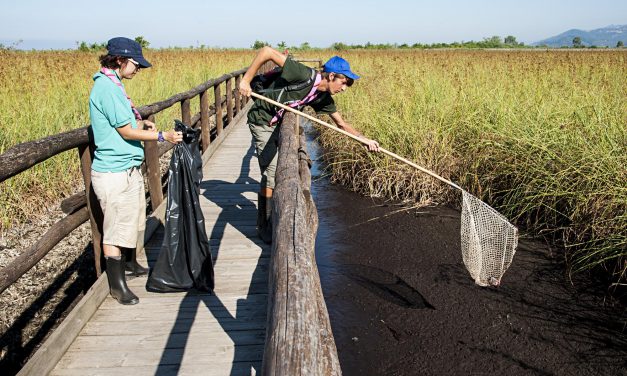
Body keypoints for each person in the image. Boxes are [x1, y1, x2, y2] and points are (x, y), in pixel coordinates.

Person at [239, 46, 380, 243]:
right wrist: (245, 80)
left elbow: (341, 124)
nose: (345, 87)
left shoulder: (322, 97)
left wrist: (364, 140)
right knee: (271, 173)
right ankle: (265, 223)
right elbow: (266, 52)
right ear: (331, 76)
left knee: (279, 169)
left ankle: (270, 215)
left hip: (278, 122)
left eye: (348, 84)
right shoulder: (303, 74)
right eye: (344, 82)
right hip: (262, 119)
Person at [89, 37, 182, 305]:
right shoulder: (106, 88)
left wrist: (143, 123)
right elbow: (124, 131)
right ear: (119, 60)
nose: (137, 69)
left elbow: (126, 122)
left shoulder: (114, 85)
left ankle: (129, 265)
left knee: (132, 219)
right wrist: (163, 136)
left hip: (126, 167)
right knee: (115, 229)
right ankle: (117, 286)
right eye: (135, 64)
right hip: (113, 171)